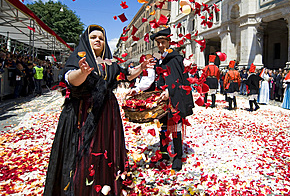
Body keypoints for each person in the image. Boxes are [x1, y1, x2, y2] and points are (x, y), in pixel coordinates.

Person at [44, 25, 154, 195]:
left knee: (105, 148)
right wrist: (82, 72)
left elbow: (127, 74)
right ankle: (83, 187)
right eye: (93, 37)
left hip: (107, 113)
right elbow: (71, 80)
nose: (98, 40)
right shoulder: (79, 58)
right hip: (85, 112)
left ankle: (105, 183)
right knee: (86, 148)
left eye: (101, 38)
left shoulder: (109, 62)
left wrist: (142, 66)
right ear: (86, 40)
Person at [150, 28, 194, 171]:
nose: (161, 45)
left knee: (176, 128)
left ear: (169, 42)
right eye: (158, 43)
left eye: (163, 42)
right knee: (162, 128)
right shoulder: (160, 59)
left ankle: (178, 157)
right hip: (162, 100)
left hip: (174, 99)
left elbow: (179, 80)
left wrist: (169, 91)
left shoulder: (175, 58)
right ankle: (163, 154)